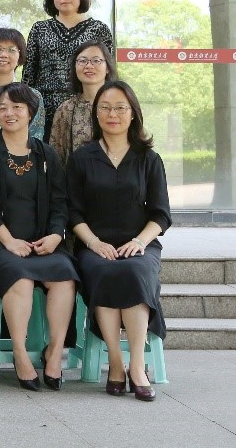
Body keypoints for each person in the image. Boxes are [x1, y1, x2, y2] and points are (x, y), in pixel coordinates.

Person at [0, 83, 78, 391]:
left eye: (17, 107)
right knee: (20, 277)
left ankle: (54, 352)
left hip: (43, 242)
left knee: (64, 276)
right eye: (2, 108)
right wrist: (8, 241)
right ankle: (19, 352)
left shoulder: (46, 154)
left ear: (31, 112)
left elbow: (60, 202)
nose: (9, 113)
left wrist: (55, 235)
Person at [68, 80, 170, 402]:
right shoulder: (82, 158)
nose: (113, 114)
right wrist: (93, 243)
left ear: (133, 113)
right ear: (96, 114)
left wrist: (139, 241)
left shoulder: (148, 159)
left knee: (134, 270)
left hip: (139, 244)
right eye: (106, 108)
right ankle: (115, 362)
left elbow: (161, 214)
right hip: (94, 245)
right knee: (104, 270)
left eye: (120, 108)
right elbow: (73, 212)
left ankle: (136, 365)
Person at [22, 0, 115, 139]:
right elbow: (29, 75)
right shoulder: (39, 29)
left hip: (87, 111)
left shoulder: (99, 29)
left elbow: (108, 74)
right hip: (44, 113)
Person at [49, 41, 118, 166]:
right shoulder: (65, 109)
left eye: (96, 60)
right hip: (76, 177)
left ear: (108, 67)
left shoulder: (121, 106)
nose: (89, 65)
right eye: (82, 61)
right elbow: (56, 158)